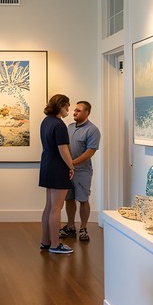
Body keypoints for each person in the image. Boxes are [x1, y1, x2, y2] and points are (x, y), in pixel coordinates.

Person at [38, 93, 75, 254]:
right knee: (56, 208)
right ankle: (55, 244)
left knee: (49, 206)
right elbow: (63, 149)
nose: (69, 109)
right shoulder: (59, 125)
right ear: (61, 106)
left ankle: (45, 241)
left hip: (47, 165)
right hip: (57, 167)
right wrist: (71, 166)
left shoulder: (46, 121)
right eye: (67, 105)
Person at [61, 100, 100, 243]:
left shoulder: (93, 130)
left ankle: (83, 228)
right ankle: (71, 227)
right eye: (75, 110)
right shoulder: (69, 127)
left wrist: (72, 164)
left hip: (82, 171)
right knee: (69, 199)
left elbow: (90, 152)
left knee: (83, 199)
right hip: (68, 170)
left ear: (87, 112)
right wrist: (67, 165)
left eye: (79, 110)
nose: (75, 112)